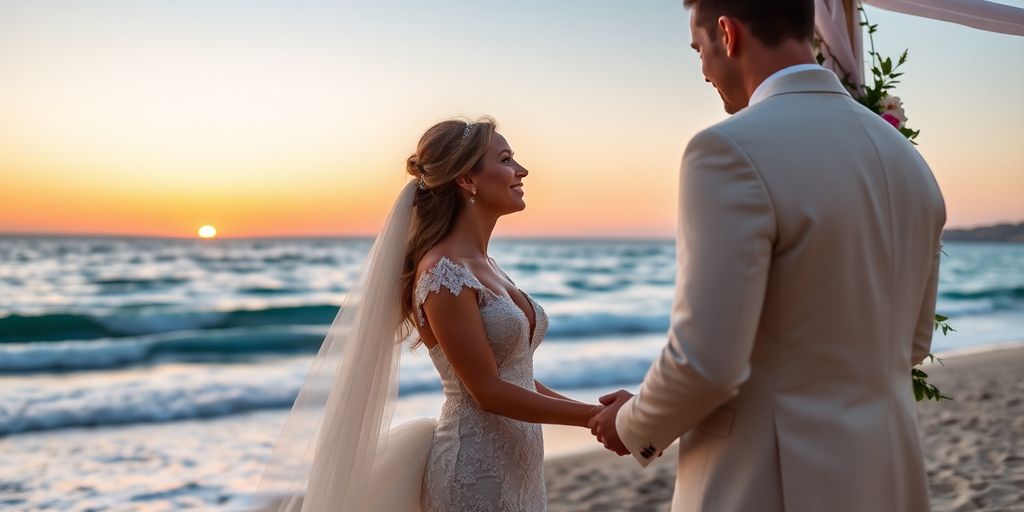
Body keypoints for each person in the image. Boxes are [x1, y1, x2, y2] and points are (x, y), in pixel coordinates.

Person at [588, 1, 946, 511]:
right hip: (887, 473)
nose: (704, 72)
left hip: (773, 480)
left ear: (728, 34)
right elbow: (913, 341)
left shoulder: (727, 151)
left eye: (699, 49)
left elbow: (707, 363)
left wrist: (632, 423)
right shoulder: (909, 160)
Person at [256, 118, 600, 512]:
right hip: (473, 473)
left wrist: (596, 411)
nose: (522, 171)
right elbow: (486, 391)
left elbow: (514, 375)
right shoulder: (442, 275)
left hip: (519, 465)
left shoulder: (486, 264)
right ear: (468, 180)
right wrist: (592, 418)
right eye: (506, 159)